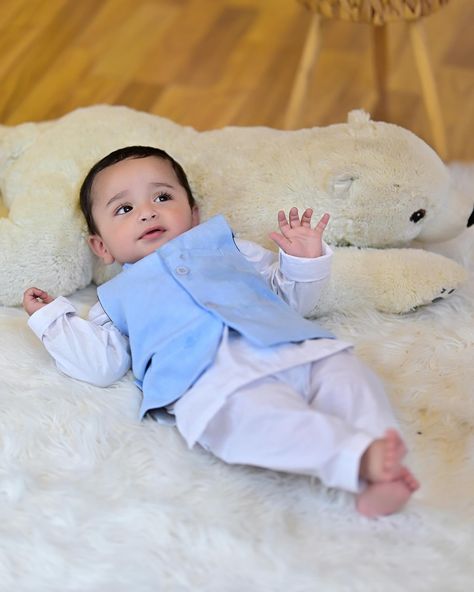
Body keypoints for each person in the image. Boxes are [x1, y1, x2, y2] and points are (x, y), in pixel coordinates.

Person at [23, 146, 419, 518]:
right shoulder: (114, 299)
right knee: (255, 423)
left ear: (194, 215)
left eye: (162, 198)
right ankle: (356, 457)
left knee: (348, 377)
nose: (147, 212)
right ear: (101, 246)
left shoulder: (232, 248)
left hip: (294, 347)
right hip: (213, 382)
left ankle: (379, 458)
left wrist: (302, 260)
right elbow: (101, 365)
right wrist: (53, 320)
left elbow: (289, 298)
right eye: (124, 208)